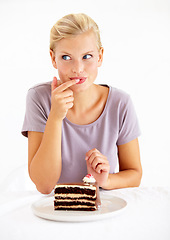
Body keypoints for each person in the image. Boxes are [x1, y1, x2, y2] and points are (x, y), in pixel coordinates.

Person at [22, 13, 142, 194]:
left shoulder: (120, 103)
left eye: (87, 56)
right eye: (66, 57)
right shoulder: (38, 98)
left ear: (100, 56)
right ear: (53, 58)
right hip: (58, 213)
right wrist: (55, 117)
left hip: (104, 210)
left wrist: (106, 179)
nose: (78, 68)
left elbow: (135, 175)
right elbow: (44, 185)